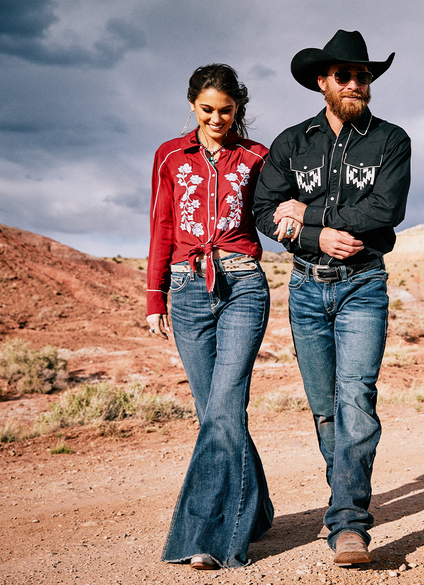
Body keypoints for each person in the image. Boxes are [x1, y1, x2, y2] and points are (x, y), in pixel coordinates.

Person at [253, 30, 411, 566]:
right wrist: (313, 238)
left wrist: (311, 216)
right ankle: (343, 494)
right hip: (305, 287)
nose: (355, 83)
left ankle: (348, 523)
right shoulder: (292, 143)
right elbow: (264, 211)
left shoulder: (391, 140)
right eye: (344, 75)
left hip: (363, 283)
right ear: (322, 81)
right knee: (325, 410)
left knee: (357, 400)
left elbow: (384, 212)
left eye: (363, 75)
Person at [146, 63, 273, 570]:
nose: (217, 118)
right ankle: (256, 511)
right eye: (207, 109)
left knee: (223, 408)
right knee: (213, 413)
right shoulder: (170, 156)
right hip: (186, 287)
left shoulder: (257, 156)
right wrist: (154, 297)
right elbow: (160, 222)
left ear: (238, 107)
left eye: (226, 110)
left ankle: (210, 536)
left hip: (243, 284)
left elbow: (273, 211)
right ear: (191, 105)